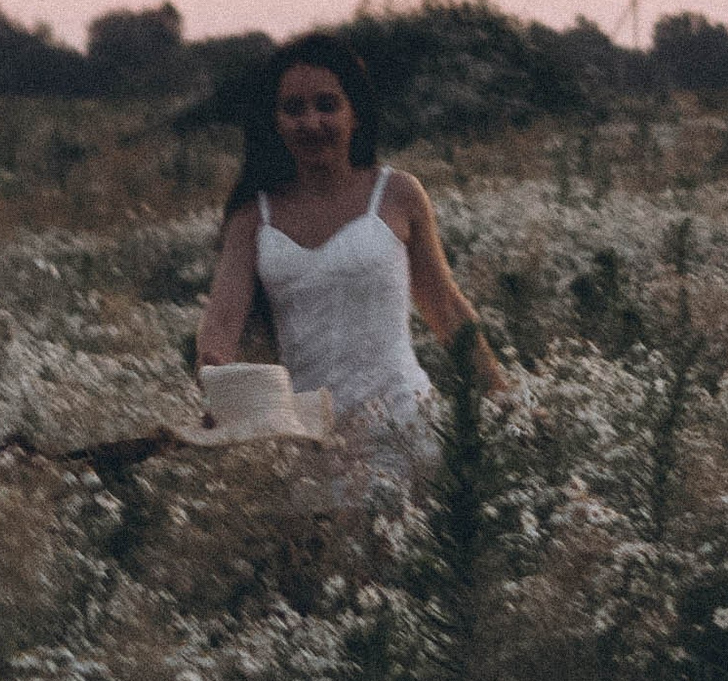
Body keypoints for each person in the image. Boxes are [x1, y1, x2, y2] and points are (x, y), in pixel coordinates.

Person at [197, 34, 507, 447]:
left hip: (407, 427)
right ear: (275, 121)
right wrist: (216, 384)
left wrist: (504, 398)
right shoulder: (253, 216)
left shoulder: (398, 195)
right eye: (293, 109)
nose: (311, 123)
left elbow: (447, 308)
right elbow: (221, 322)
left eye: (327, 105)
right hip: (311, 440)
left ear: (354, 113)